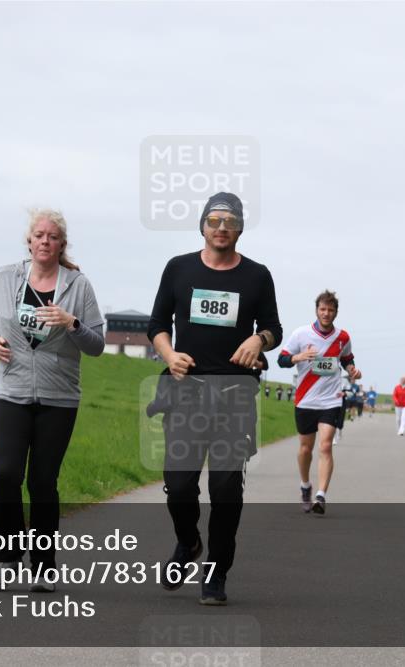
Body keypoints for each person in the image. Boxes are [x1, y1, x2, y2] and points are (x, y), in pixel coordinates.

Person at [147, 192, 282, 606]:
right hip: (187, 392)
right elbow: (156, 324)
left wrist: (258, 340)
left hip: (234, 395)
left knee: (225, 488)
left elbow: (274, 328)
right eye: (214, 220)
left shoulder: (257, 276)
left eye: (230, 221)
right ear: (202, 226)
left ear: (240, 228)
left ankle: (217, 571)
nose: (221, 227)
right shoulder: (178, 268)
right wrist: (170, 356)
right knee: (179, 482)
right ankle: (188, 543)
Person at [0, 208, 105, 592]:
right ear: (29, 241)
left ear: (61, 245)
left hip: (58, 398)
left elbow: (97, 344)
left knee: (43, 483)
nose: (45, 241)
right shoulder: (5, 278)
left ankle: (45, 567)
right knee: (5, 475)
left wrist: (72, 323)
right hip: (11, 391)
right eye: (39, 235)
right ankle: (6, 558)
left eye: (52, 237)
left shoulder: (78, 286)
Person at [278, 291, 360, 514]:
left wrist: (352, 369)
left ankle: (321, 495)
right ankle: (305, 485)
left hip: (330, 400)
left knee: (325, 445)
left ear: (335, 313)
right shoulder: (301, 334)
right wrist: (298, 357)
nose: (326, 313)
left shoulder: (342, 337)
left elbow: (346, 359)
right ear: (316, 310)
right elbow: (281, 360)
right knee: (306, 449)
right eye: (323, 309)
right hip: (305, 400)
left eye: (330, 310)